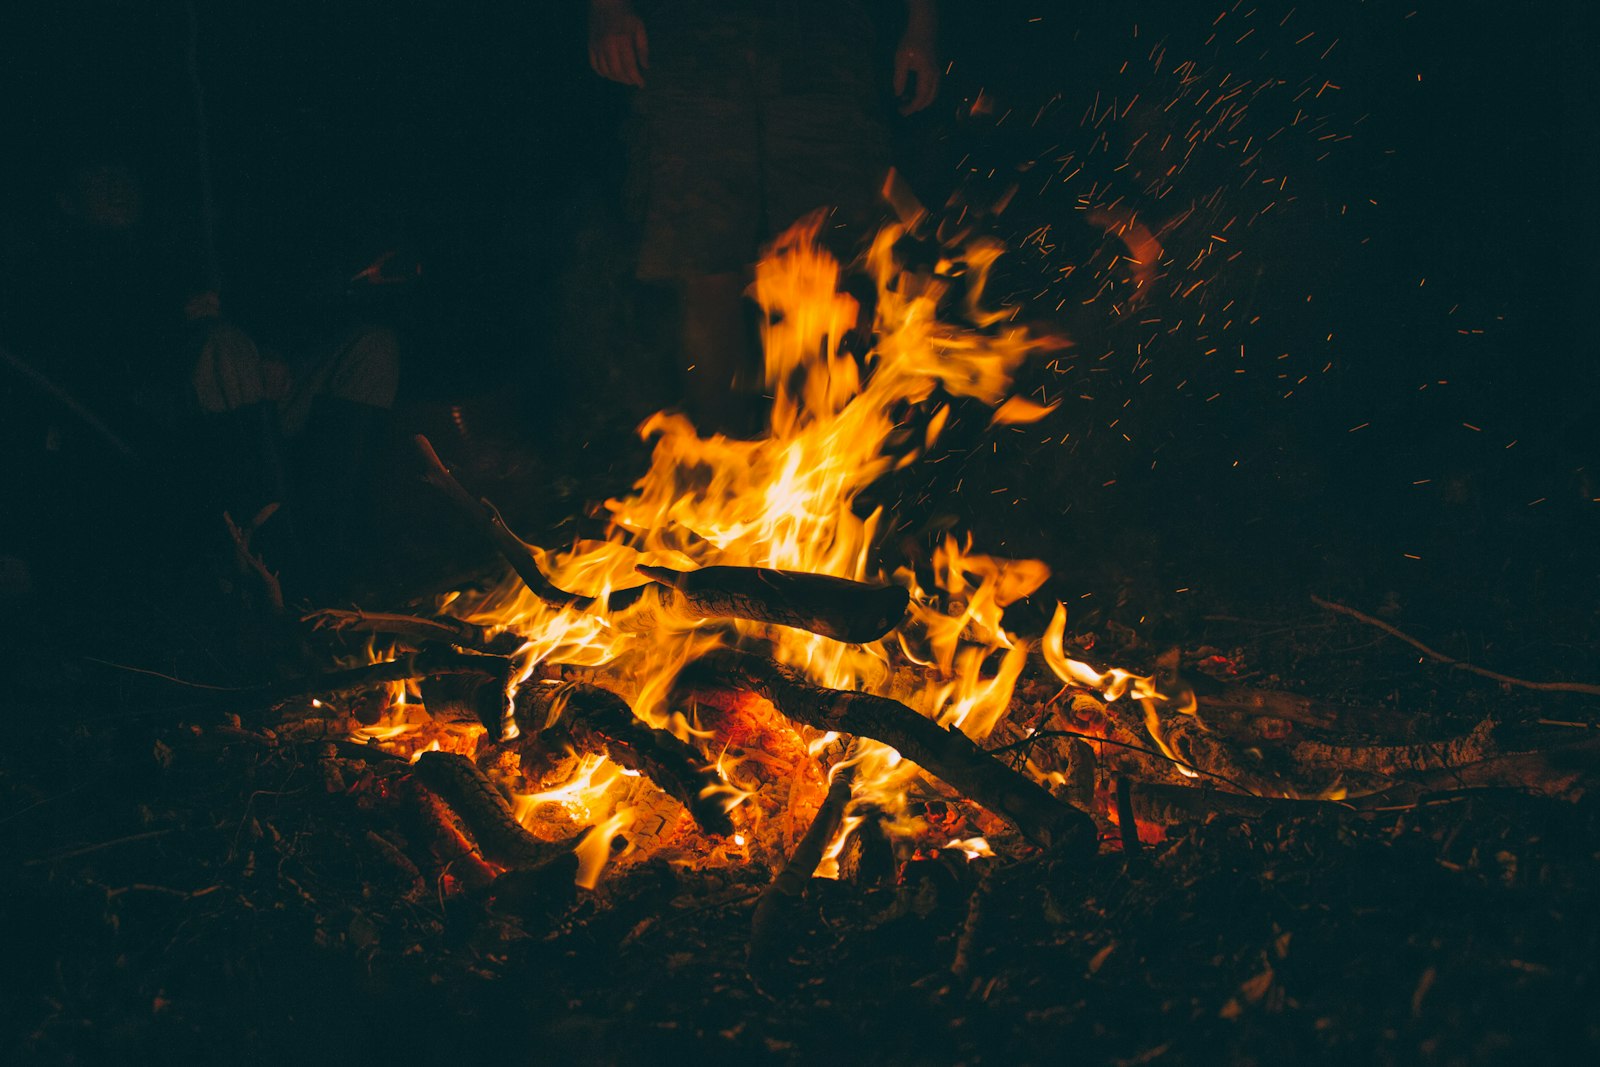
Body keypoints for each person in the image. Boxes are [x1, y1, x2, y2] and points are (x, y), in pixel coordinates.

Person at [587, 0, 939, 433]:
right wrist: (607, 7)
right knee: (703, 257)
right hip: (690, 28)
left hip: (823, 30)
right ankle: (721, 469)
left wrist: (921, 24)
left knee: (831, 251)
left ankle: (829, 462)